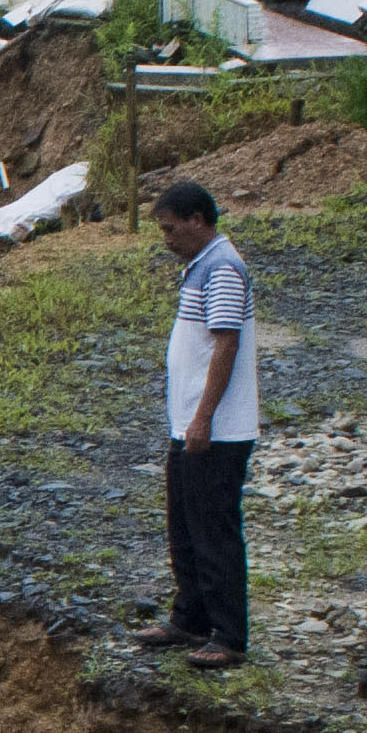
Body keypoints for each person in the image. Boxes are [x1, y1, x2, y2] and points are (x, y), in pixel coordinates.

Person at [141, 180, 258, 670]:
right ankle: (189, 617)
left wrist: (204, 417)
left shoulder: (223, 268)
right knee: (185, 526)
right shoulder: (201, 266)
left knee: (213, 530)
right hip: (189, 424)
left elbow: (226, 343)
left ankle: (228, 634)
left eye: (171, 229)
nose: (166, 239)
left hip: (216, 429)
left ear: (197, 220)